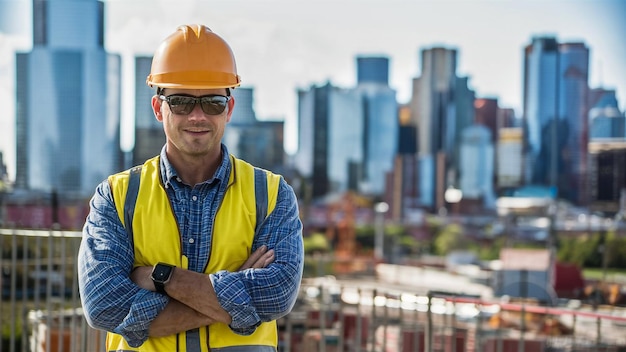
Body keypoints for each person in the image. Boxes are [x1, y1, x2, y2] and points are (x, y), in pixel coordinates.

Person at [78, 24, 304, 352]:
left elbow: (276, 295)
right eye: (181, 101)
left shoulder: (270, 193)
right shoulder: (116, 196)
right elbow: (103, 306)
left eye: (212, 102)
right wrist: (236, 299)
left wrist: (161, 278)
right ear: (159, 108)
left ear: (229, 109)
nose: (197, 116)